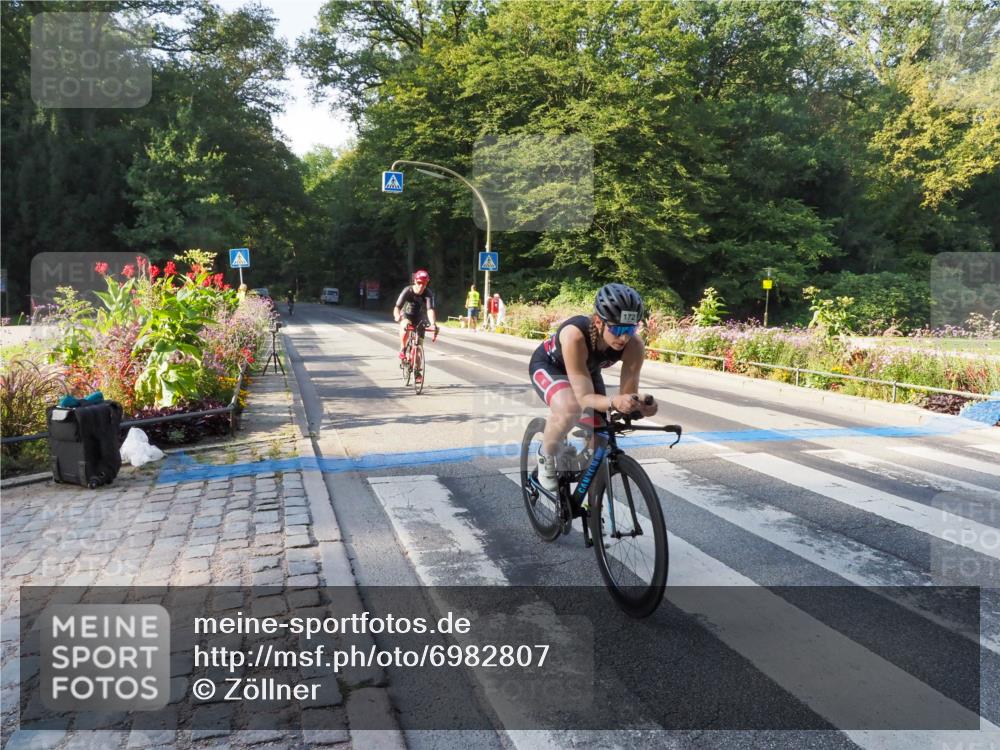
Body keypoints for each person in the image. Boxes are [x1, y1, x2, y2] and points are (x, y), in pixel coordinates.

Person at [528, 283, 658, 492]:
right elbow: (584, 397)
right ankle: (546, 454)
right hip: (550, 366)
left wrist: (640, 406)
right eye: (617, 329)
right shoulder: (575, 336)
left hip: (586, 370)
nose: (624, 337)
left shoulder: (634, 345)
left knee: (601, 435)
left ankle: (584, 492)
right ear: (599, 322)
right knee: (570, 408)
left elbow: (628, 395)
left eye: (630, 329)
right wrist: (612, 401)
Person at [393, 270, 439, 381]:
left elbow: (430, 310)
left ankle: (417, 372)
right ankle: (403, 348)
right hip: (406, 315)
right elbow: (397, 307)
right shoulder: (407, 290)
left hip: (419, 316)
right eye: (419, 283)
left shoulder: (428, 293)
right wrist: (397, 316)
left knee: (418, 348)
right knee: (405, 325)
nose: (421, 286)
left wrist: (433, 324)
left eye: (424, 283)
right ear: (415, 281)